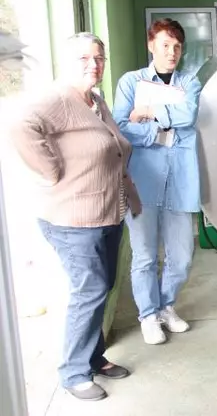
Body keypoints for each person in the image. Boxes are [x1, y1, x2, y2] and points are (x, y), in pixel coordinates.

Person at [11, 32, 141, 401]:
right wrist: (50, 171)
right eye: (84, 58)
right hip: (71, 219)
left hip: (105, 213)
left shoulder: (95, 101)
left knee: (101, 288)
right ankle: (72, 372)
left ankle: (95, 357)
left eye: (98, 57)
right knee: (90, 290)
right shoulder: (56, 99)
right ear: (66, 61)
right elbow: (20, 126)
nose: (93, 64)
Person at [112, 19, 202, 345]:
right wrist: (157, 130)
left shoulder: (189, 82)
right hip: (143, 181)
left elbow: (188, 115)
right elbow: (121, 128)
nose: (172, 52)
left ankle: (166, 306)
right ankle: (148, 315)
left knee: (182, 257)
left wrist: (147, 111)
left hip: (180, 180)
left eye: (177, 46)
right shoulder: (130, 82)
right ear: (151, 45)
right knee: (145, 255)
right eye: (165, 45)